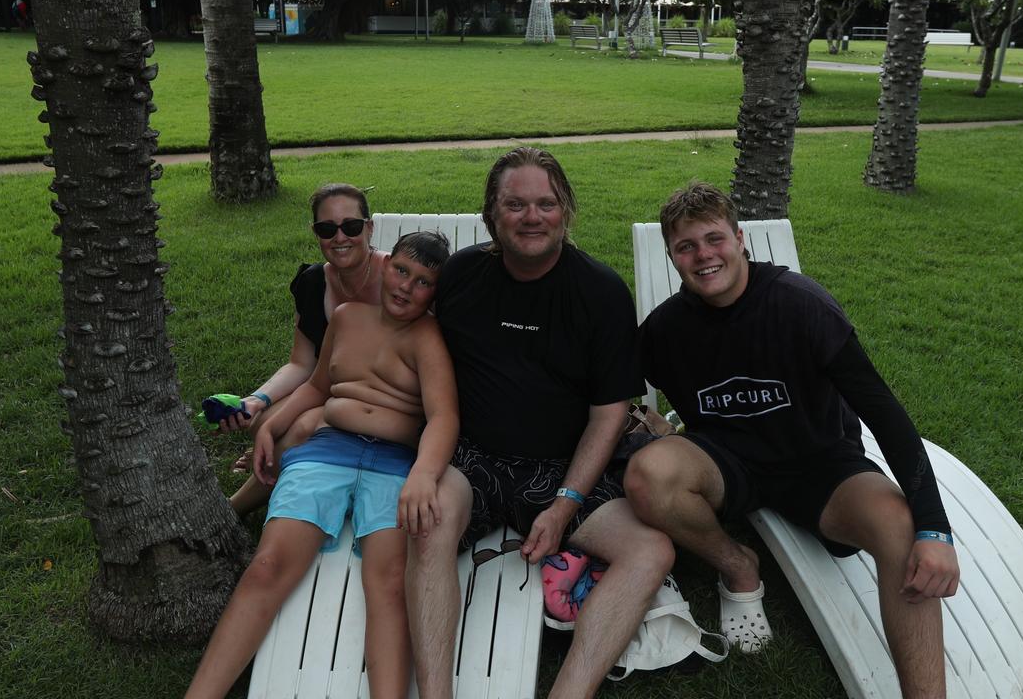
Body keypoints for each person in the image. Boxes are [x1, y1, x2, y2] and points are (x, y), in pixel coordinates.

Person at [627, 182, 960, 698]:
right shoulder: (665, 330)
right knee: (649, 475)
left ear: (741, 240)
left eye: (714, 239)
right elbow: (611, 396)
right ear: (672, 256)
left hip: (821, 466)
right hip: (728, 464)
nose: (703, 256)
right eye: (686, 246)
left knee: (899, 528)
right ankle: (738, 565)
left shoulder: (801, 305)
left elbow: (885, 414)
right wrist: (650, 421)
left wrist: (935, 530)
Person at [405, 147, 674, 699]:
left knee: (652, 551)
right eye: (516, 204)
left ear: (566, 210)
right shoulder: (460, 276)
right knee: (428, 525)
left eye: (546, 203)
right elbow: (398, 330)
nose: (532, 217)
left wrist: (566, 503)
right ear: (492, 215)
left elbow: (609, 413)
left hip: (561, 466)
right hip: (472, 457)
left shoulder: (599, 293)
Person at [186, 232, 457, 699]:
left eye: (423, 282)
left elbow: (443, 417)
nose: (406, 287)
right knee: (267, 565)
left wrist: (424, 475)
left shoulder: (429, 338)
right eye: (401, 271)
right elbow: (315, 385)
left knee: (390, 585)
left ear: (436, 293)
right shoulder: (349, 318)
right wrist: (273, 425)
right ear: (385, 263)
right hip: (327, 449)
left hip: (394, 465)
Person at [221, 182, 388, 517]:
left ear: (369, 228)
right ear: (316, 234)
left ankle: (231, 510)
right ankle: (273, 457)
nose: (340, 238)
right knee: (261, 421)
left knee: (296, 430)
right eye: (327, 229)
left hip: (377, 400)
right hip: (325, 387)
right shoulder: (313, 283)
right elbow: (300, 363)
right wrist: (257, 399)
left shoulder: (397, 281)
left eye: (351, 226)